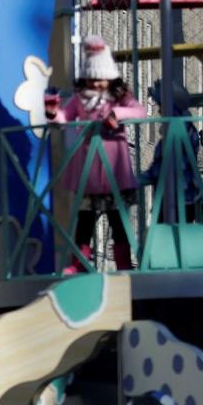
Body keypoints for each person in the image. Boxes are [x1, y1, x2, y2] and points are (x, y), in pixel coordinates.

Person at [43, 36, 147, 270]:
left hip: (114, 168)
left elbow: (140, 112)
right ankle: (79, 262)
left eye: (101, 80)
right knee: (85, 220)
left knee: (117, 219)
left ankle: (123, 262)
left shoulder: (119, 97)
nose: (97, 84)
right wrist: (52, 112)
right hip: (88, 168)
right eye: (93, 80)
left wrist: (117, 114)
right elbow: (65, 118)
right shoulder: (81, 99)